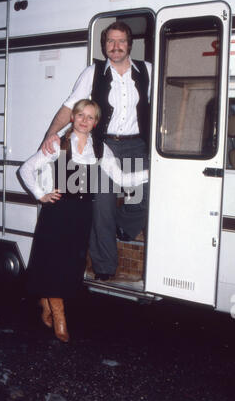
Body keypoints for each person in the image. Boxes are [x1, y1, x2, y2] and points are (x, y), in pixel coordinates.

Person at [19, 99, 148, 343]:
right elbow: (26, 169)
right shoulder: (57, 143)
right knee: (52, 260)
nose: (84, 121)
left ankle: (47, 303)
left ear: (96, 122)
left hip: (82, 212)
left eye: (90, 117)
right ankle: (59, 316)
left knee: (70, 264)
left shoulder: (100, 149)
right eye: (80, 115)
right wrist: (41, 194)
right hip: (57, 211)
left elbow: (122, 178)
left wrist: (153, 171)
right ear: (73, 117)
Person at [41, 21, 152, 281]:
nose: (115, 47)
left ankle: (125, 227)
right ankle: (104, 266)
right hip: (104, 145)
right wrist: (51, 133)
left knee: (144, 195)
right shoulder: (93, 72)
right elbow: (71, 107)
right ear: (104, 45)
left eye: (120, 41)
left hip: (137, 143)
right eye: (110, 42)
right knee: (102, 204)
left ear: (129, 44)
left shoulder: (147, 70)